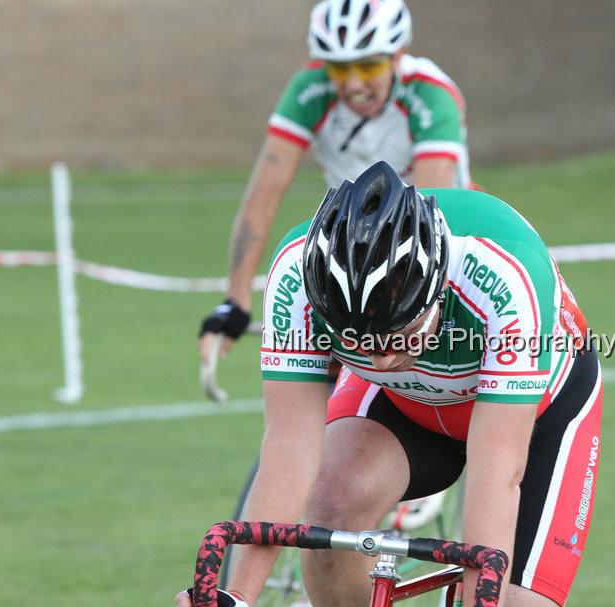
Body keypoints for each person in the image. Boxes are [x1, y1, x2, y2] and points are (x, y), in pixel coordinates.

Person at [174, 162, 604, 607]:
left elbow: (498, 469)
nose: (378, 360)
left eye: (399, 334)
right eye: (355, 342)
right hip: (405, 408)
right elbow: (290, 447)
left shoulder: (503, 276)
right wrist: (235, 595)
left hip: (539, 419)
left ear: (438, 292)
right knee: (331, 500)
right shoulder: (294, 274)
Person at [199, 0, 472, 361]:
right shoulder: (309, 91)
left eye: (368, 65)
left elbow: (424, 210)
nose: (355, 84)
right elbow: (263, 195)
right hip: (352, 243)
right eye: (340, 69)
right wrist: (236, 300)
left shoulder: (430, 94)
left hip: (443, 239)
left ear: (398, 55)